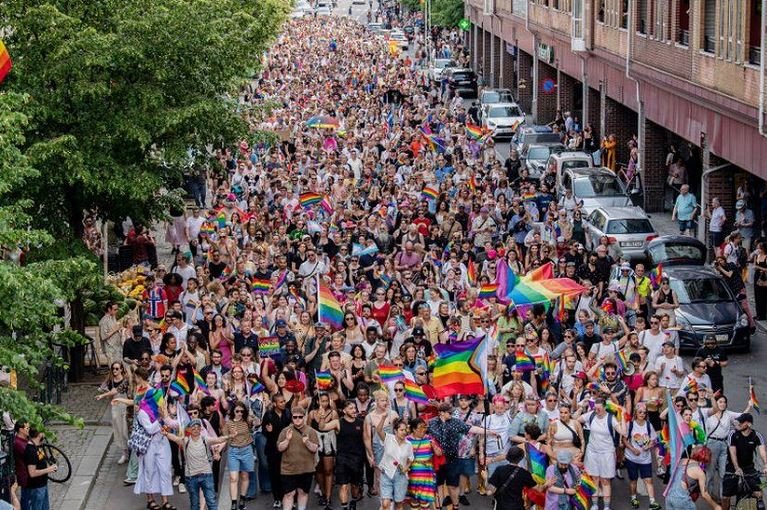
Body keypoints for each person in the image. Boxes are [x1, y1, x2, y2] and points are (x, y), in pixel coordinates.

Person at [163, 419, 231, 510]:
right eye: (193, 428)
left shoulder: (205, 439)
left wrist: (230, 436)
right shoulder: (185, 441)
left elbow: (218, 439)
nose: (195, 429)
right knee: (194, 504)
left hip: (206, 475)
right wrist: (166, 434)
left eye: (197, 428)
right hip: (191, 477)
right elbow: (175, 438)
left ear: (200, 429)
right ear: (190, 430)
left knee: (211, 502)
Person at [578, 398, 623, 510]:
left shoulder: (611, 419)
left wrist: (623, 417)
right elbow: (576, 419)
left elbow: (623, 432)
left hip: (607, 453)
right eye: (595, 408)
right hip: (592, 452)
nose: (596, 410)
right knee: (595, 480)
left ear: (604, 407)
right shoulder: (591, 415)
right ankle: (595, 505)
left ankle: (606, 507)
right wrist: (581, 407)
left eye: (598, 408)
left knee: (605, 480)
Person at [133, 388, 174, 510]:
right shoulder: (142, 412)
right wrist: (160, 418)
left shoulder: (162, 409)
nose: (161, 400)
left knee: (165, 470)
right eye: (159, 398)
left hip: (162, 442)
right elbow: (150, 429)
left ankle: (165, 501)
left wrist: (170, 415)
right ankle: (150, 499)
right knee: (149, 471)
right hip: (148, 444)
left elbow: (170, 425)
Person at [277, 407, 320, 510]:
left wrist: (307, 442)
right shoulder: (285, 431)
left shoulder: (311, 431)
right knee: (288, 494)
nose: (297, 419)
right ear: (292, 418)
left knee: (303, 492)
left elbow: (315, 449)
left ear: (304, 417)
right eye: (295, 417)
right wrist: (287, 440)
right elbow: (279, 448)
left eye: (300, 417)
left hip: (306, 469)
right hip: (288, 469)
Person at [721, 413, 767, 510]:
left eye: (741, 422)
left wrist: (766, 465)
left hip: (748, 467)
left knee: (759, 494)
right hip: (732, 467)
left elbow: (762, 452)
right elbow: (732, 452)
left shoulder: (757, 435)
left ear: (749, 425)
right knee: (725, 497)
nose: (738, 424)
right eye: (738, 421)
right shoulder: (732, 434)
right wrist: (737, 468)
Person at [623, 404, 660, 509]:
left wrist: (649, 445)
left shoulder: (648, 425)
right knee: (633, 480)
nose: (642, 414)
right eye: (640, 412)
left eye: (644, 412)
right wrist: (632, 449)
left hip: (645, 459)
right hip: (631, 458)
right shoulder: (630, 424)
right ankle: (633, 498)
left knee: (648, 480)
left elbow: (654, 439)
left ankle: (652, 502)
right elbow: (624, 439)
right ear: (635, 412)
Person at [374, 415, 413, 510]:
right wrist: (383, 418)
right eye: (401, 430)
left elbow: (411, 459)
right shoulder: (388, 439)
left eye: (405, 430)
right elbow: (378, 431)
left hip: (401, 476)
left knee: (399, 503)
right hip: (386, 474)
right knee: (385, 503)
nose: (404, 432)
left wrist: (406, 468)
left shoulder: (408, 444)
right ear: (395, 431)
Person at [665, 446, 721, 510]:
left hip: (669, 497)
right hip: (682, 500)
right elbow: (704, 494)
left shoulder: (682, 460)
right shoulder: (699, 472)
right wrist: (716, 506)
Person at [486, 445, 538, 510]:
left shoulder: (499, 470)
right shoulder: (524, 473)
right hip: (517, 506)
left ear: (507, 457)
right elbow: (537, 488)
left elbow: (490, 491)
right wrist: (547, 484)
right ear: (521, 458)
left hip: (501, 506)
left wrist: (485, 478)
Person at [334, 400, 365, 510]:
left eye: (354, 408)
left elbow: (366, 439)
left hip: (357, 458)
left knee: (355, 485)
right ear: (344, 410)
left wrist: (369, 455)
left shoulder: (361, 423)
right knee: (343, 484)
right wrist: (322, 418)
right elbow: (322, 427)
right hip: (342, 458)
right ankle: (344, 507)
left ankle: (353, 500)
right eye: (350, 408)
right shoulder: (338, 422)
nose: (354, 410)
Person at [224, 401, 255, 510]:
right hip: (233, 451)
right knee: (233, 478)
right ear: (233, 411)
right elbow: (225, 438)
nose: (240, 413)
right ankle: (233, 503)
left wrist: (253, 417)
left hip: (246, 450)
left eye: (242, 411)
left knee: (245, 476)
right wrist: (219, 449)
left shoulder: (247, 421)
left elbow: (257, 423)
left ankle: (242, 499)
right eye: (237, 411)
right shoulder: (228, 423)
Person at [21, 429, 57, 510]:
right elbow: (32, 473)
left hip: (42, 485)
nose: (45, 434)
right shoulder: (31, 450)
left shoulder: (37, 445)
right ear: (39, 434)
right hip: (36, 487)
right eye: (43, 431)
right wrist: (48, 469)